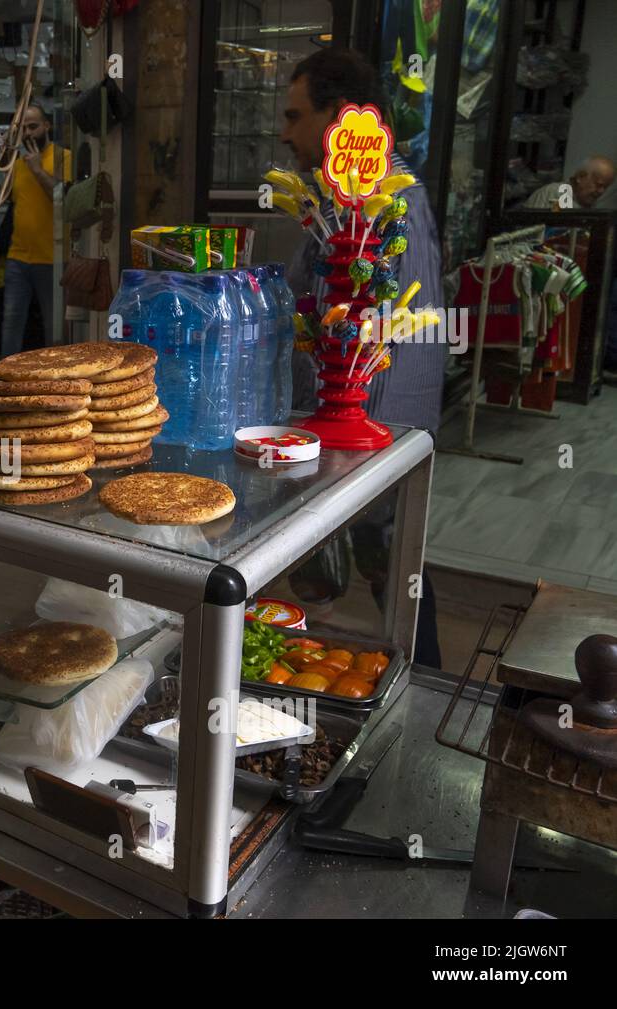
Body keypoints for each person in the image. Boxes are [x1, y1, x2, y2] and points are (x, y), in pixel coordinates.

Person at [279, 47, 443, 670]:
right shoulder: (356, 196)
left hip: (372, 425)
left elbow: (352, 315)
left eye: (296, 116)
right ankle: (403, 676)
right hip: (379, 428)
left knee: (391, 569)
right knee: (392, 569)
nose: (285, 131)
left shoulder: (376, 199)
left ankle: (411, 691)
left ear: (340, 116)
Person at [0, 103, 71, 359]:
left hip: (51, 259)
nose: (28, 133)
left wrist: (38, 170)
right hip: (18, 257)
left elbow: (64, 198)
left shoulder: (63, 158)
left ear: (47, 126)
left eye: (33, 126)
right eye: (23, 128)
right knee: (10, 324)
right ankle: (4, 387)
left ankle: (56, 387)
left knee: (54, 329)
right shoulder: (17, 164)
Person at [523, 155, 615, 211]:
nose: (601, 191)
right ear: (580, 177)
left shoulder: (588, 203)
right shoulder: (555, 193)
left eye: (605, 187)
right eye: (599, 185)